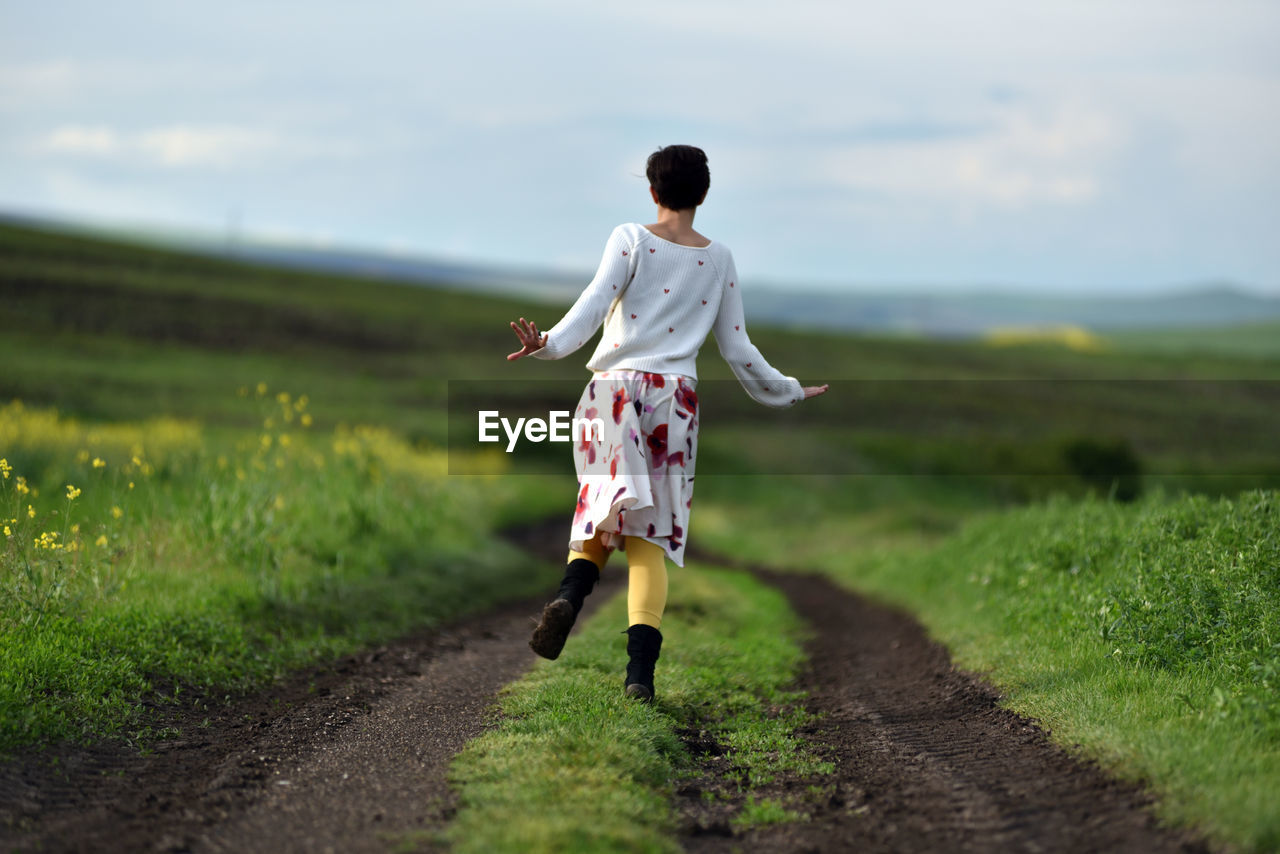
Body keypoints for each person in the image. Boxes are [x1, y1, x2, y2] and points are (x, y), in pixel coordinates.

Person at [506, 144, 828, 703]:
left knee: (602, 507)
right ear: (703, 194)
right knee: (648, 542)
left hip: (611, 393)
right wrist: (789, 390)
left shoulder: (629, 238)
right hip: (671, 404)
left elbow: (591, 304)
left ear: (653, 191)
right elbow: (737, 347)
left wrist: (546, 345)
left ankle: (569, 597)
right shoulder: (719, 259)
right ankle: (639, 679)